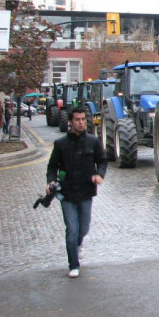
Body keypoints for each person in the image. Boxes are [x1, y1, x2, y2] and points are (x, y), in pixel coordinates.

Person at [46, 107, 107, 278]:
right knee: (72, 229)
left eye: (83, 119)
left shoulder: (93, 142)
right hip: (67, 193)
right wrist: (51, 181)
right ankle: (73, 264)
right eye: (77, 120)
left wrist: (99, 174)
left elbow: (102, 161)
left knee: (83, 228)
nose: (81, 122)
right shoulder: (61, 144)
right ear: (71, 122)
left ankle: (77, 245)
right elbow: (52, 167)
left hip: (86, 192)